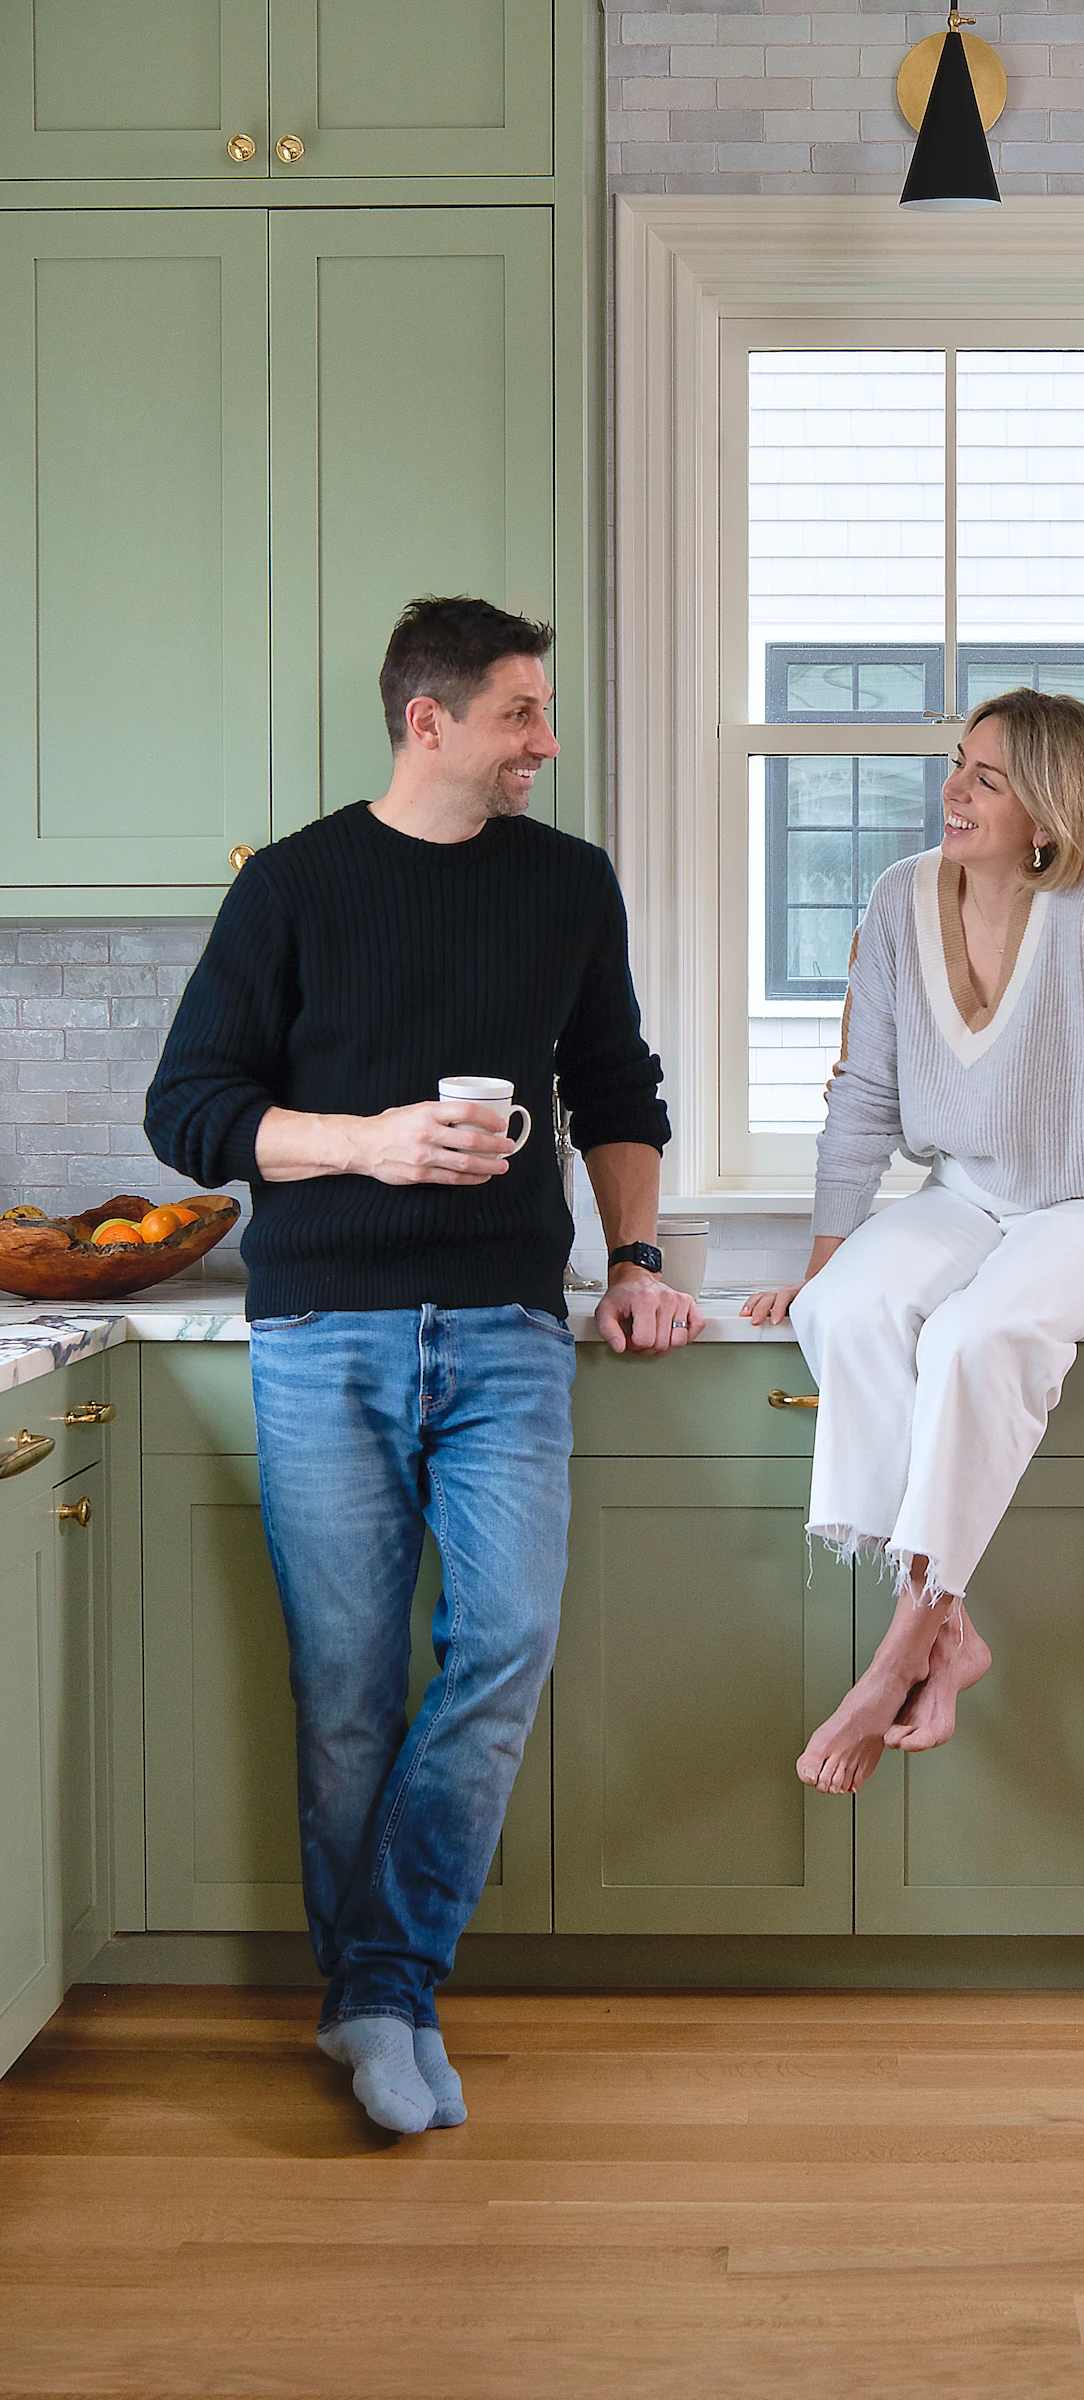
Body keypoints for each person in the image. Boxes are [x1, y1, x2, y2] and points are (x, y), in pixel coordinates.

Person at [145, 595, 702, 2135]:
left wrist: (638, 1261)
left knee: (505, 1640)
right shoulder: (295, 888)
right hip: (322, 1334)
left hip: (513, 1330)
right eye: (525, 714)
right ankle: (379, 2009)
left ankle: (379, 1988)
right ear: (430, 721)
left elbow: (615, 1086)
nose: (548, 742)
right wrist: (369, 1144)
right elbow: (188, 1109)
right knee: (342, 1695)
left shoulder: (567, 885)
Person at [744, 688, 1084, 1797]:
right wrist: (825, 1258)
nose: (949, 792)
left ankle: (894, 1655)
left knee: (976, 1337)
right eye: (955, 765)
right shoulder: (895, 899)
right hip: (960, 1195)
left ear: (1050, 814)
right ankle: (948, 1630)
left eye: (983, 779)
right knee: (844, 1312)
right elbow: (861, 1094)